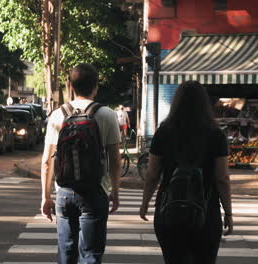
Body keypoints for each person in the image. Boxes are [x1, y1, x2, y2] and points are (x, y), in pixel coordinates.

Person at [139, 80, 233, 264]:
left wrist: (145, 204)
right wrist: (228, 213)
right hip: (206, 211)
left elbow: (152, 175)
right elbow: (222, 179)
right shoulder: (215, 134)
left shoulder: (164, 131)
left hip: (169, 210)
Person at [40, 63, 121, 264]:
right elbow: (115, 161)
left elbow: (46, 161)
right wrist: (115, 192)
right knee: (91, 255)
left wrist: (45, 196)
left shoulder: (57, 115)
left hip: (65, 192)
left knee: (66, 254)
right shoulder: (107, 115)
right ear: (96, 86)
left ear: (70, 85)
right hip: (95, 191)